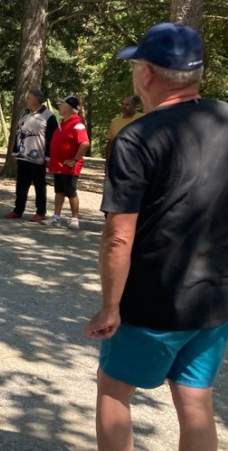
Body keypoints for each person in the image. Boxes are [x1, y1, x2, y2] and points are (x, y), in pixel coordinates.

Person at [85, 22, 228, 451]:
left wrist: (110, 307)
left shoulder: (138, 136)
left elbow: (118, 236)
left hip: (152, 300)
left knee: (113, 390)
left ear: (147, 73)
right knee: (195, 401)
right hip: (213, 299)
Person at [4, 89, 58, 222]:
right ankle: (18, 210)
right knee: (21, 185)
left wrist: (48, 157)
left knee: (39, 185)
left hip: (38, 158)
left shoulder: (49, 116)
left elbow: (52, 138)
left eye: (28, 98)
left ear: (35, 100)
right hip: (23, 156)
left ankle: (40, 212)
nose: (25, 100)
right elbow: (18, 134)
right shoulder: (25, 114)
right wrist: (15, 153)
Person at [46, 96, 90, 229]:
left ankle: (75, 219)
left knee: (71, 191)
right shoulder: (63, 123)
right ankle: (56, 217)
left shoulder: (78, 124)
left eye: (62, 104)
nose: (59, 106)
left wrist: (75, 160)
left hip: (69, 166)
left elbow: (85, 143)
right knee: (59, 191)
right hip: (58, 165)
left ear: (69, 108)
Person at [104, 96, 143, 168]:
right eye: (122, 104)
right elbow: (110, 144)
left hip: (136, 163)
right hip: (117, 163)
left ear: (134, 106)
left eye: (127, 105)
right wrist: (107, 164)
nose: (123, 107)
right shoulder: (115, 122)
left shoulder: (142, 119)